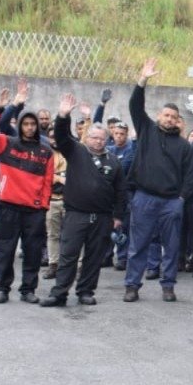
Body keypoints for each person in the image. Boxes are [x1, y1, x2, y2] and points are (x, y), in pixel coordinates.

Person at [41, 95, 127, 307]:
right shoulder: (76, 151)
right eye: (94, 137)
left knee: (94, 258)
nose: (98, 141)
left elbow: (120, 191)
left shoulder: (114, 161)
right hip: (76, 214)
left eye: (101, 138)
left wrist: (117, 216)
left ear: (106, 140)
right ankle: (59, 293)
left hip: (102, 217)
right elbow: (61, 135)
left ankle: (86, 291)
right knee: (68, 256)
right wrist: (63, 115)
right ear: (87, 137)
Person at [122, 59, 193, 303]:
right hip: (144, 198)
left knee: (172, 248)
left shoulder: (184, 146)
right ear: (158, 116)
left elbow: (190, 176)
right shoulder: (146, 130)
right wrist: (143, 80)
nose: (169, 119)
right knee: (138, 245)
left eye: (174, 117)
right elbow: (135, 105)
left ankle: (168, 286)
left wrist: (181, 199)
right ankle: (132, 285)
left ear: (177, 121)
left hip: (170, 203)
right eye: (166, 114)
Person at [0, 85, 55, 305]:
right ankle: (2, 288)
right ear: (20, 125)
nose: (30, 127)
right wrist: (0, 108)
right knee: (6, 250)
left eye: (33, 124)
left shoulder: (46, 152)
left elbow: (48, 182)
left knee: (32, 252)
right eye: (26, 123)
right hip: (9, 207)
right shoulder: (7, 143)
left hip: (34, 211)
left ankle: (28, 290)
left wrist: (42, 207)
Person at [107, 122, 136, 271]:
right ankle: (106, 256)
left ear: (126, 134)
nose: (118, 136)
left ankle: (123, 257)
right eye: (116, 133)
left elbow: (122, 167)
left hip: (125, 194)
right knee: (107, 225)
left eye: (122, 134)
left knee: (123, 226)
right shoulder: (109, 149)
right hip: (108, 192)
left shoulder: (130, 150)